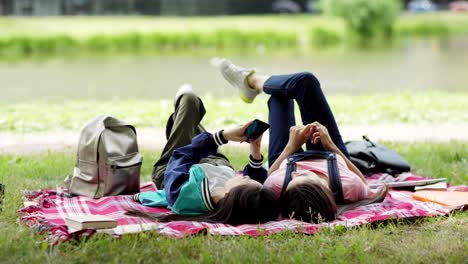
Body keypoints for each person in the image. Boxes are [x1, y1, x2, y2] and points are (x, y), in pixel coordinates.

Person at [218, 59, 388, 223]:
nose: (295, 173)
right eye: (304, 175)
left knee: (279, 97)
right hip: (328, 152)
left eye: (293, 179)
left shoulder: (279, 185)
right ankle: (252, 81)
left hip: (287, 156)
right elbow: (364, 183)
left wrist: (291, 147)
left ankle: (252, 82)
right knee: (306, 81)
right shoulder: (348, 186)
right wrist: (329, 144)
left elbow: (267, 178)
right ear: (326, 190)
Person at [130, 85, 279, 225]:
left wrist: (222, 136)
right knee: (186, 121)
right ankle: (178, 120)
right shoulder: (239, 198)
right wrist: (255, 150)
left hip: (176, 166)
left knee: (189, 101)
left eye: (246, 181)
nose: (246, 177)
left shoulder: (183, 195)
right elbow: (256, 183)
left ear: (230, 196)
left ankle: (180, 106)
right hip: (216, 163)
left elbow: (181, 155)